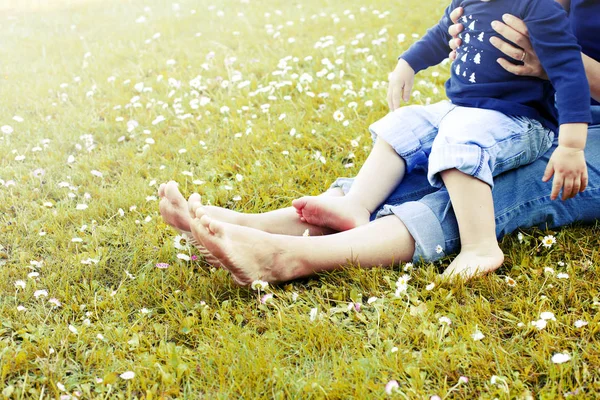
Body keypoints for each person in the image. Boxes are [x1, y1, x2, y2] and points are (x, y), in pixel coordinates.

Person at [159, 0, 600, 286]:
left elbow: (564, 66)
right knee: (413, 142)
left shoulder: (540, 10)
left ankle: (291, 256)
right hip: (501, 110)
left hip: (564, 127)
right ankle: (252, 226)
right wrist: (419, 59)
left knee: (473, 170)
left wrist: (568, 121)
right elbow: (442, 32)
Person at [291, 0, 590, 279]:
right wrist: (407, 63)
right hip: (464, 108)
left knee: (460, 141)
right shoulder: (467, 2)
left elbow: (570, 73)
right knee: (403, 124)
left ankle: (480, 246)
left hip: (521, 119)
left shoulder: (537, 7)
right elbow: (439, 35)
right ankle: (356, 204)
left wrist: (571, 146)